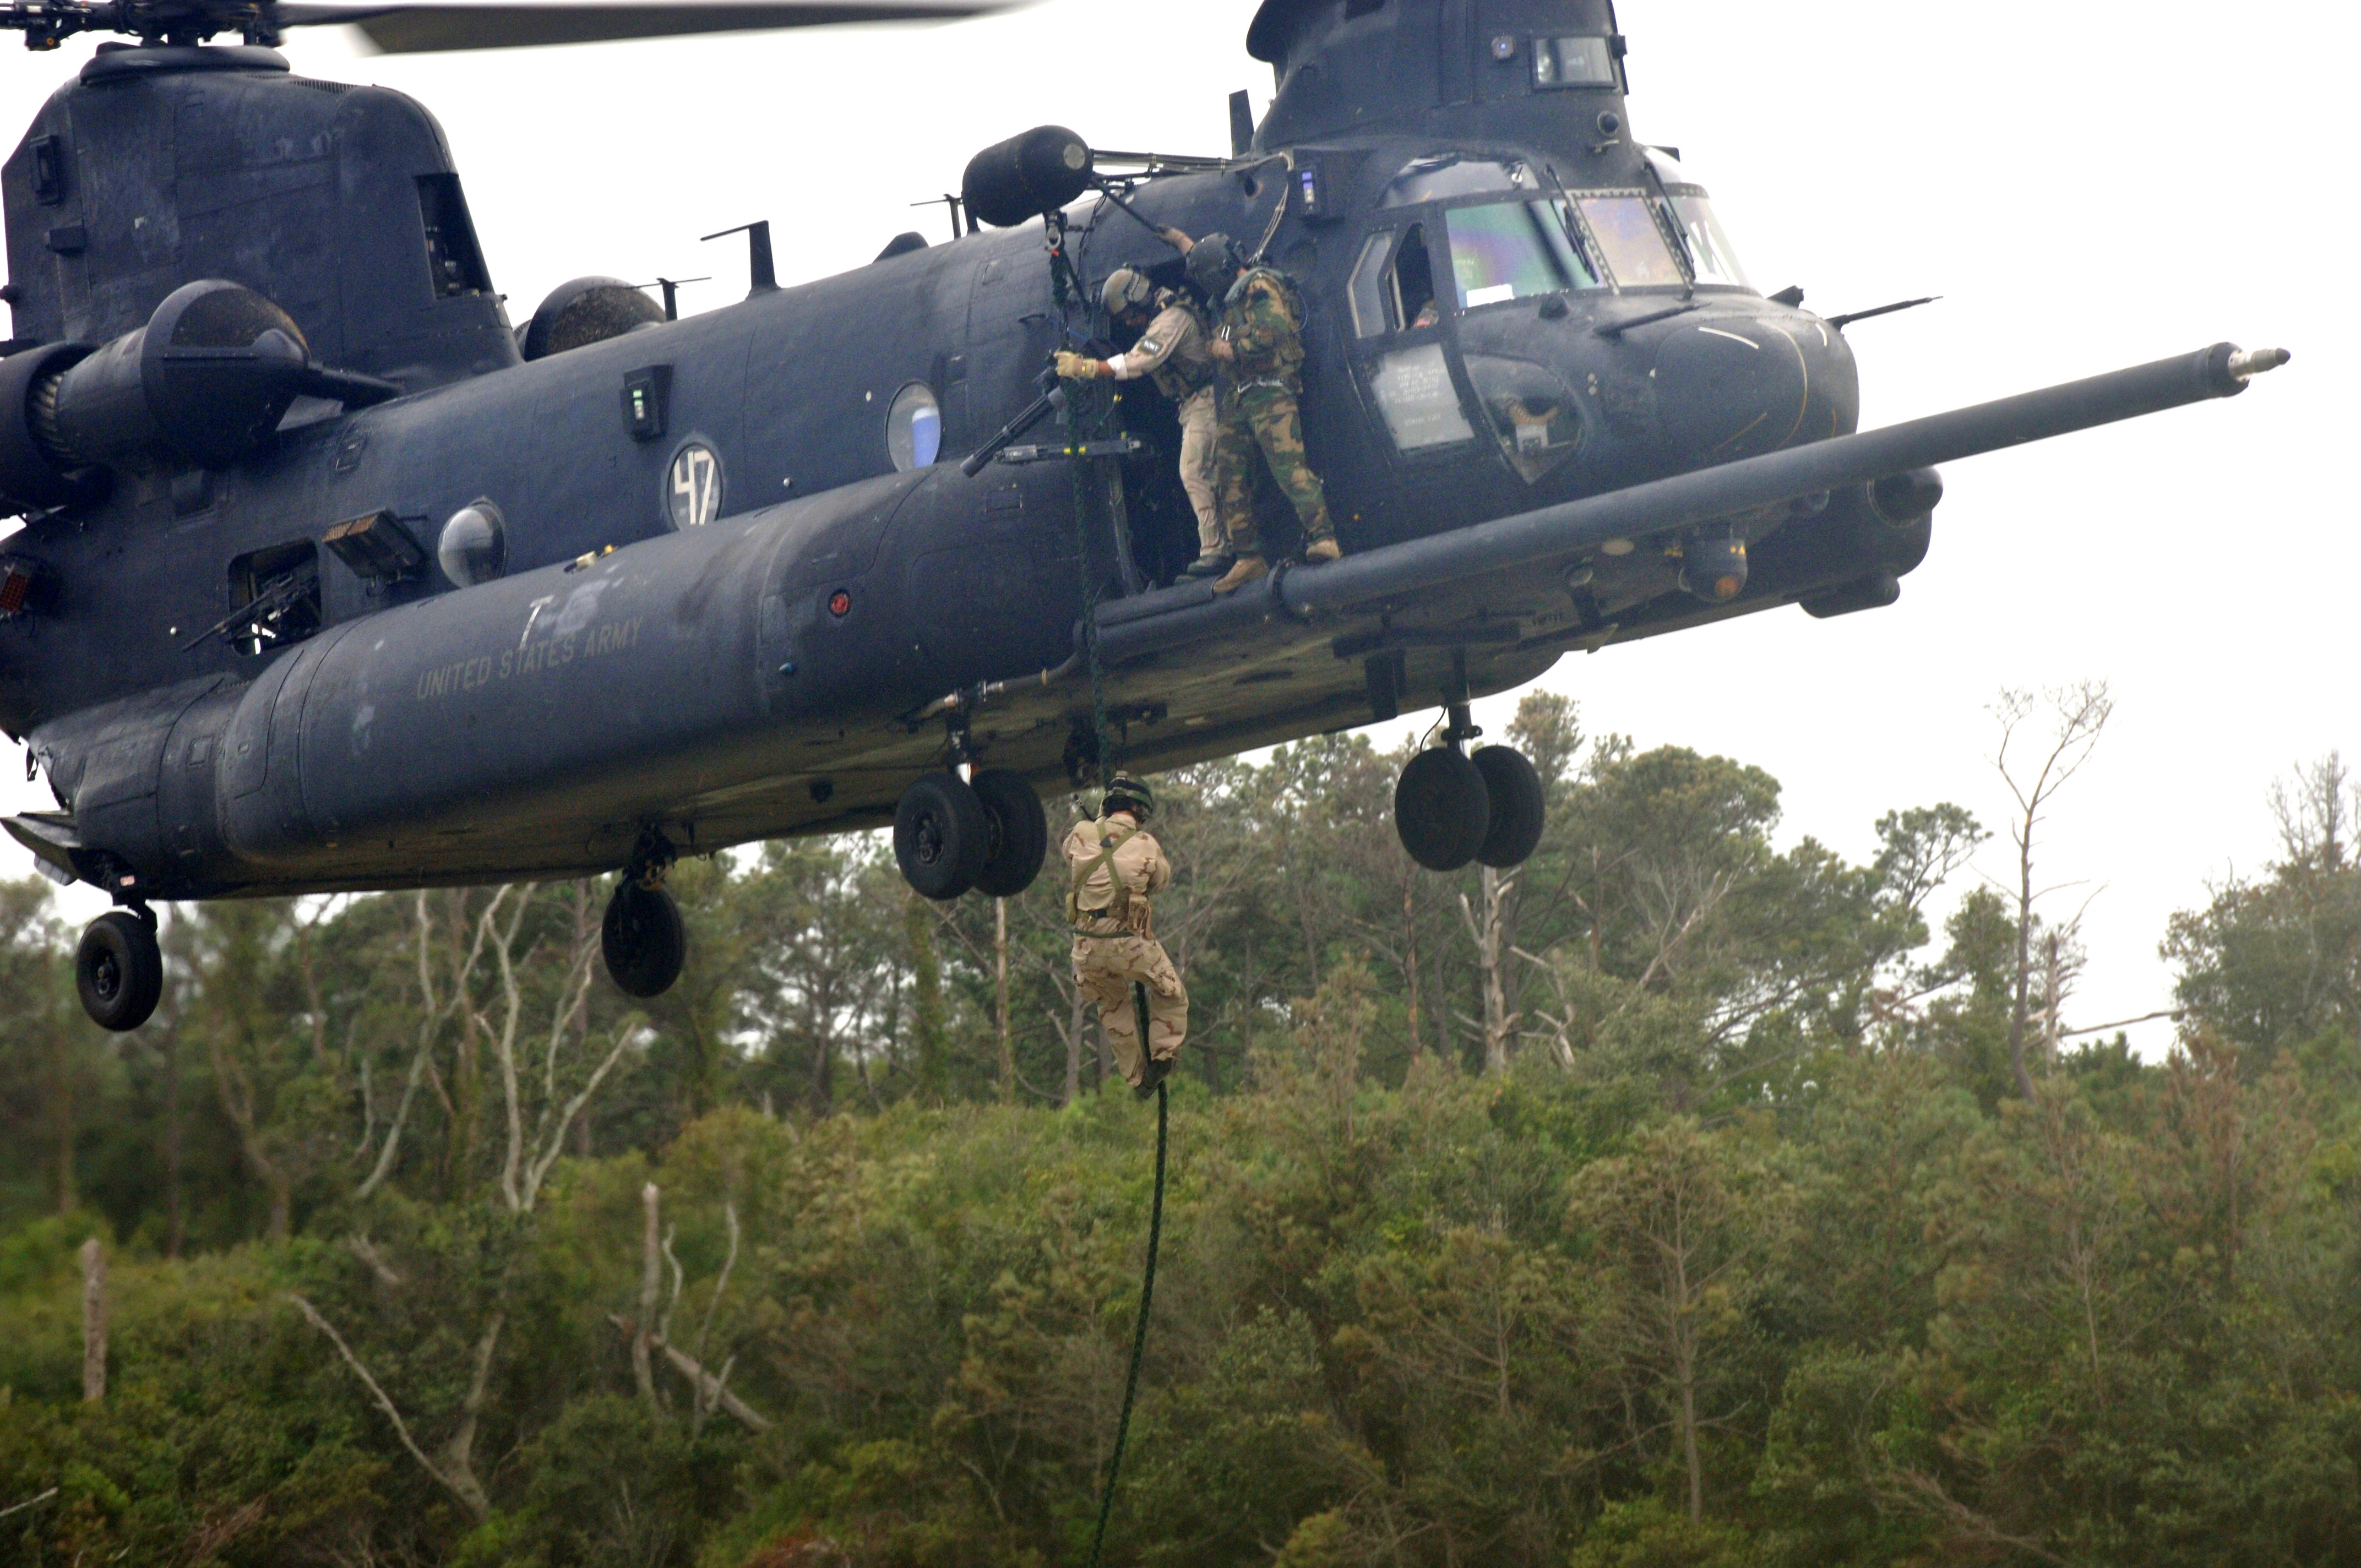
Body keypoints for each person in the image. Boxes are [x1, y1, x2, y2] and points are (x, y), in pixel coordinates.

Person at [1176, 231, 1342, 595]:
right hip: (1241, 394)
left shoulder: (1259, 286)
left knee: (1289, 469)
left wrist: (1229, 349)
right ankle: (1247, 556)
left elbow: (1274, 332)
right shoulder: (1233, 295)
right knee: (1228, 476)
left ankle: (1324, 538)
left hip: (1270, 390)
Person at [1054, 266, 1227, 579]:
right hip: (1193, 404)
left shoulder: (1169, 322)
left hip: (1204, 402)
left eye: (1131, 316)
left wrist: (1085, 367)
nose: (1132, 324)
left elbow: (1138, 362)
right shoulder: (1168, 313)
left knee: (1193, 472)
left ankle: (1216, 552)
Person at [1061, 771, 1187, 1098]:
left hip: (1086, 949)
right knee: (1170, 993)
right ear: (1140, 811)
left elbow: (1069, 855)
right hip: (1129, 945)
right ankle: (1163, 1056)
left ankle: (1136, 1079)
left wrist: (1099, 826)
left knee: (1113, 1006)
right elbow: (1160, 882)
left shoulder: (1081, 832)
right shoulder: (1146, 844)